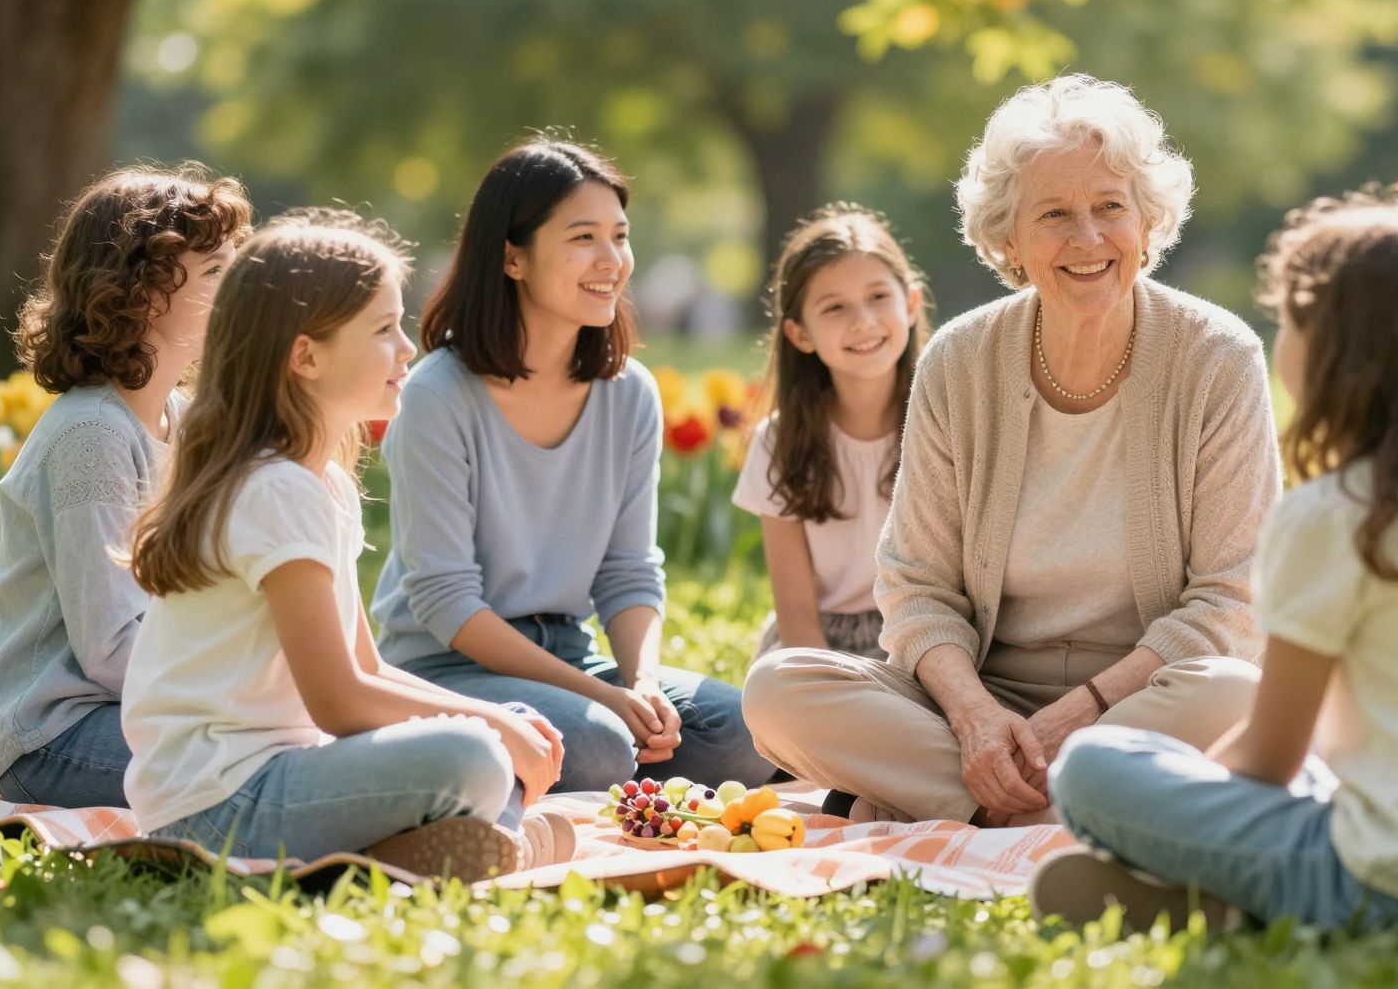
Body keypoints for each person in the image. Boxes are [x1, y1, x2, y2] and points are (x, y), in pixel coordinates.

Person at [1036, 184, 1398, 930]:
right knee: (1300, 771)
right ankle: (1234, 902)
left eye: (1291, 321)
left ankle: (1248, 896)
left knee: (1089, 770)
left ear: (1337, 350)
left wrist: (1184, 810)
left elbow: (1267, 756)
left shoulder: (1334, 515)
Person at [743, 75, 1276, 825]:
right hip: (978, 693)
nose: (1087, 238)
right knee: (779, 690)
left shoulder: (1219, 356)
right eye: (1054, 214)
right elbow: (916, 587)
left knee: (1233, 692)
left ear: (1148, 223)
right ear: (1009, 240)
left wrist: (1076, 716)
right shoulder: (960, 360)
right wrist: (975, 722)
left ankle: (974, 804)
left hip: (1147, 696)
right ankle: (1078, 808)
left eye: (1110, 208)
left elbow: (1230, 600)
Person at [123, 218, 572, 877]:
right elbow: (339, 700)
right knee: (474, 754)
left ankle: (422, 849)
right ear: (306, 356)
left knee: (504, 723)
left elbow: (368, 666)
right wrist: (487, 732)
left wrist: (495, 717)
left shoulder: (320, 483)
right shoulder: (276, 490)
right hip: (219, 807)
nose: (406, 350)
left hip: (277, 775)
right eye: (383, 330)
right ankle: (497, 846)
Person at [372, 138, 770, 792]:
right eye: (583, 237)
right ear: (512, 257)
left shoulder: (629, 391)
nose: (611, 261)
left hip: (570, 654)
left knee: (745, 739)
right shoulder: (436, 395)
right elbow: (446, 602)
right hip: (448, 667)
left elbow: (628, 570)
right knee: (596, 749)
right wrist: (602, 700)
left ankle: (604, 731)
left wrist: (639, 684)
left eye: (620, 235)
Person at [0, 164, 250, 808]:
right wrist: (246, 689)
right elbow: (111, 649)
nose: (240, 288)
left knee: (298, 738)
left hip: (140, 705)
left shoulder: (179, 419)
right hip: (53, 737)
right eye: (215, 273)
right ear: (140, 295)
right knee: (268, 758)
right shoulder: (91, 434)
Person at [731, 204, 931, 663]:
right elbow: (796, 608)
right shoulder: (778, 442)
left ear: (911, 304)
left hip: (923, 630)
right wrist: (831, 688)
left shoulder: (947, 421)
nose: (863, 321)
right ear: (801, 334)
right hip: (817, 640)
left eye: (879, 296)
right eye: (835, 307)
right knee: (778, 689)